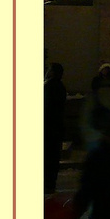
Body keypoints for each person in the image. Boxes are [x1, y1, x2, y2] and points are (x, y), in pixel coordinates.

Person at [44, 63, 67, 193]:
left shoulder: (49, 87)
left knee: (48, 157)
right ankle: (50, 184)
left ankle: (47, 184)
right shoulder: (60, 87)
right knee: (53, 158)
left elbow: (46, 108)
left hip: (48, 128)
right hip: (56, 127)